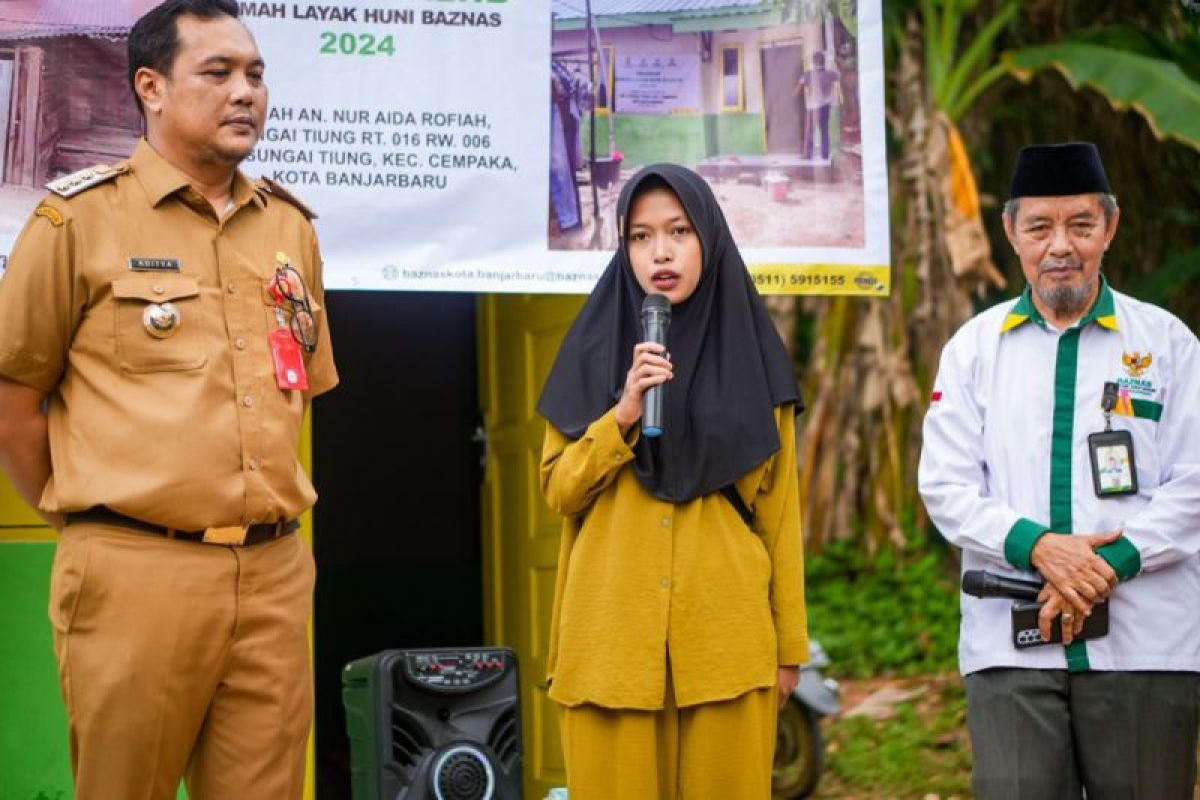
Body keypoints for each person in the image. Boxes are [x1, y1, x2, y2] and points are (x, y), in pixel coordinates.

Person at [0, 1, 337, 798]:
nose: (245, 92)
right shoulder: (75, 220)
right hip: (134, 572)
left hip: (274, 571)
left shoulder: (289, 227)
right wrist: (95, 526)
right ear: (150, 86)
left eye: (254, 74)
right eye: (216, 73)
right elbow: (15, 405)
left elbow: (300, 389)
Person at [919, 142, 1200, 799]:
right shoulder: (973, 351)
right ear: (1011, 233)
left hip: (1146, 644)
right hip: (1010, 645)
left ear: (1110, 226)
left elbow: (1195, 481)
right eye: (1040, 227)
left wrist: (1107, 564)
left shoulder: (1167, 344)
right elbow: (947, 486)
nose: (1061, 246)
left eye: (1081, 224)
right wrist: (1041, 548)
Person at [537, 163, 808, 799]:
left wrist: (788, 648)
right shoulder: (592, 353)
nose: (660, 251)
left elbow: (779, 512)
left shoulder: (757, 361)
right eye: (639, 236)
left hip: (727, 647)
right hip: (611, 647)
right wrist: (622, 417)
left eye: (679, 231)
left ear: (708, 237)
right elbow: (559, 490)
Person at [795, 51, 839, 161]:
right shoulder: (831, 74)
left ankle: (808, 155)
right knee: (824, 130)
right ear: (823, 61)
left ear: (813, 62)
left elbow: (797, 90)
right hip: (825, 107)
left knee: (810, 132)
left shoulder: (808, 74)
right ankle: (825, 155)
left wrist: (796, 93)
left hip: (812, 108)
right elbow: (839, 76)